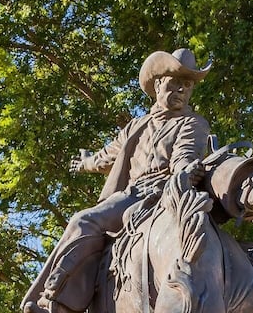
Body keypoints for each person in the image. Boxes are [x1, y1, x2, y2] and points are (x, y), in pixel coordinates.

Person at [21, 48, 213, 313]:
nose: (181, 89)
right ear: (158, 84)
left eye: (187, 85)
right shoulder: (136, 126)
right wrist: (86, 163)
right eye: (175, 82)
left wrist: (185, 172)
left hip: (161, 192)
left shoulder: (193, 123)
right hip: (131, 193)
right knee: (84, 222)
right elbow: (109, 155)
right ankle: (56, 295)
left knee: (83, 220)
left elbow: (185, 155)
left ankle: (55, 301)